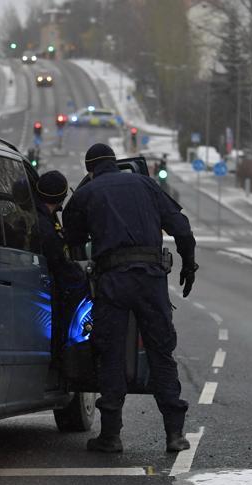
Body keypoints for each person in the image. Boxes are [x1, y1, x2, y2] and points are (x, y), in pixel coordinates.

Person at [63, 143, 197, 454]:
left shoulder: (88, 193)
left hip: (112, 281)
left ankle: (111, 436)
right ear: (116, 163)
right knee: (161, 353)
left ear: (90, 168)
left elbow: (71, 241)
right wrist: (188, 266)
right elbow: (182, 229)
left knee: (111, 355)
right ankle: (174, 434)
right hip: (151, 280)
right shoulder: (147, 185)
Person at [34, 171, 89, 364]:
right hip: (46, 291)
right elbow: (58, 262)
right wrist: (81, 277)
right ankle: (62, 363)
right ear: (60, 198)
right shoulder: (45, 225)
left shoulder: (41, 218)